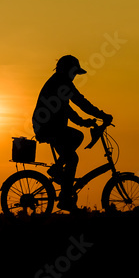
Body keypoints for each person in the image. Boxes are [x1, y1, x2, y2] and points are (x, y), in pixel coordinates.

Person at [31, 54, 111, 211]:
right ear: (67, 71)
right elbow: (80, 102)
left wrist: (83, 121)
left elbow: (67, 109)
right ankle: (65, 198)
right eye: (73, 73)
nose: (74, 76)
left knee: (76, 141)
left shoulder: (59, 83)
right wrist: (101, 115)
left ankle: (58, 171)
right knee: (73, 157)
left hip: (49, 126)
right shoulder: (61, 83)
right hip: (48, 127)